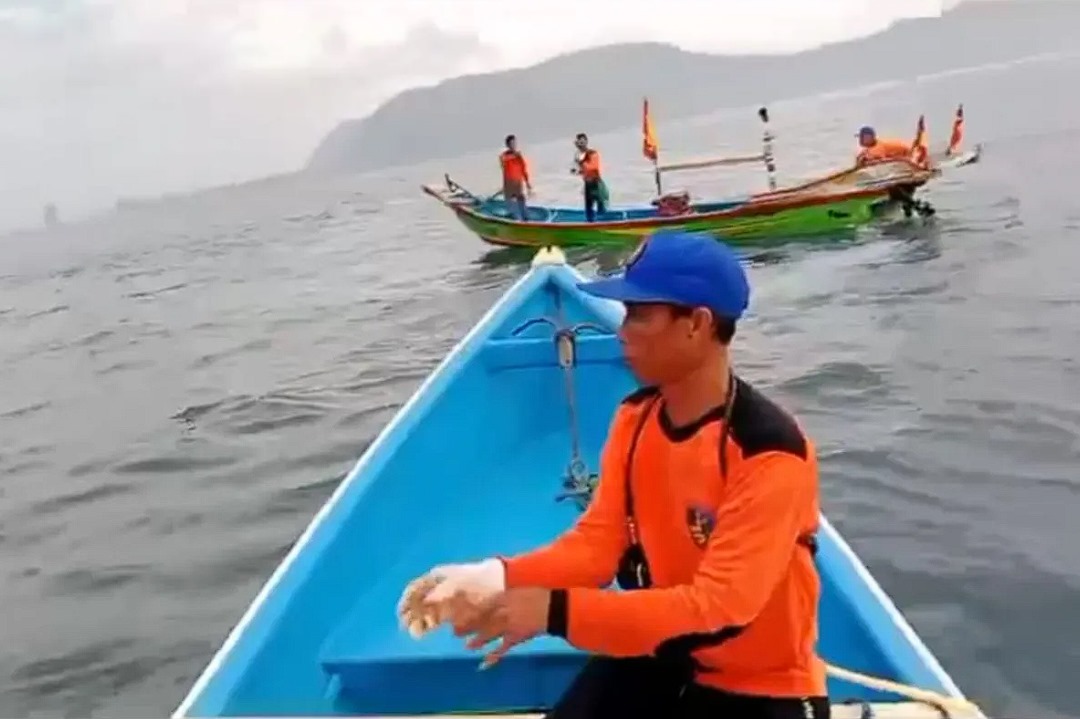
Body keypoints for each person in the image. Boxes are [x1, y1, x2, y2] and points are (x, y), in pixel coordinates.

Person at [398, 230, 830, 719]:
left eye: (640, 314)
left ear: (698, 324)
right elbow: (598, 546)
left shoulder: (768, 452)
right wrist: (494, 576)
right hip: (662, 654)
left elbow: (720, 611)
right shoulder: (636, 418)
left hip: (763, 686)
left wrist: (552, 612)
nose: (622, 330)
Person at [570, 133, 607, 222]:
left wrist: (580, 165)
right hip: (587, 184)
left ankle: (604, 223)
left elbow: (593, 167)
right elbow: (582, 170)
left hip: (596, 184)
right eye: (579, 142)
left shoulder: (593, 153)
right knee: (588, 208)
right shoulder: (578, 155)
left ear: (586, 142)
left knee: (601, 207)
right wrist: (577, 171)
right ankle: (590, 223)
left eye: (583, 142)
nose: (581, 144)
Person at [499, 134, 532, 220]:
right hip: (509, 187)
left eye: (515, 143)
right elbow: (502, 161)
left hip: (518, 186)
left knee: (523, 208)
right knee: (514, 209)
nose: (514, 145)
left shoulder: (519, 157)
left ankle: (526, 221)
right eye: (512, 143)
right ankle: (517, 220)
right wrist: (514, 155)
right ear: (508, 145)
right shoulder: (504, 156)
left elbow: (523, 169)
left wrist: (527, 182)